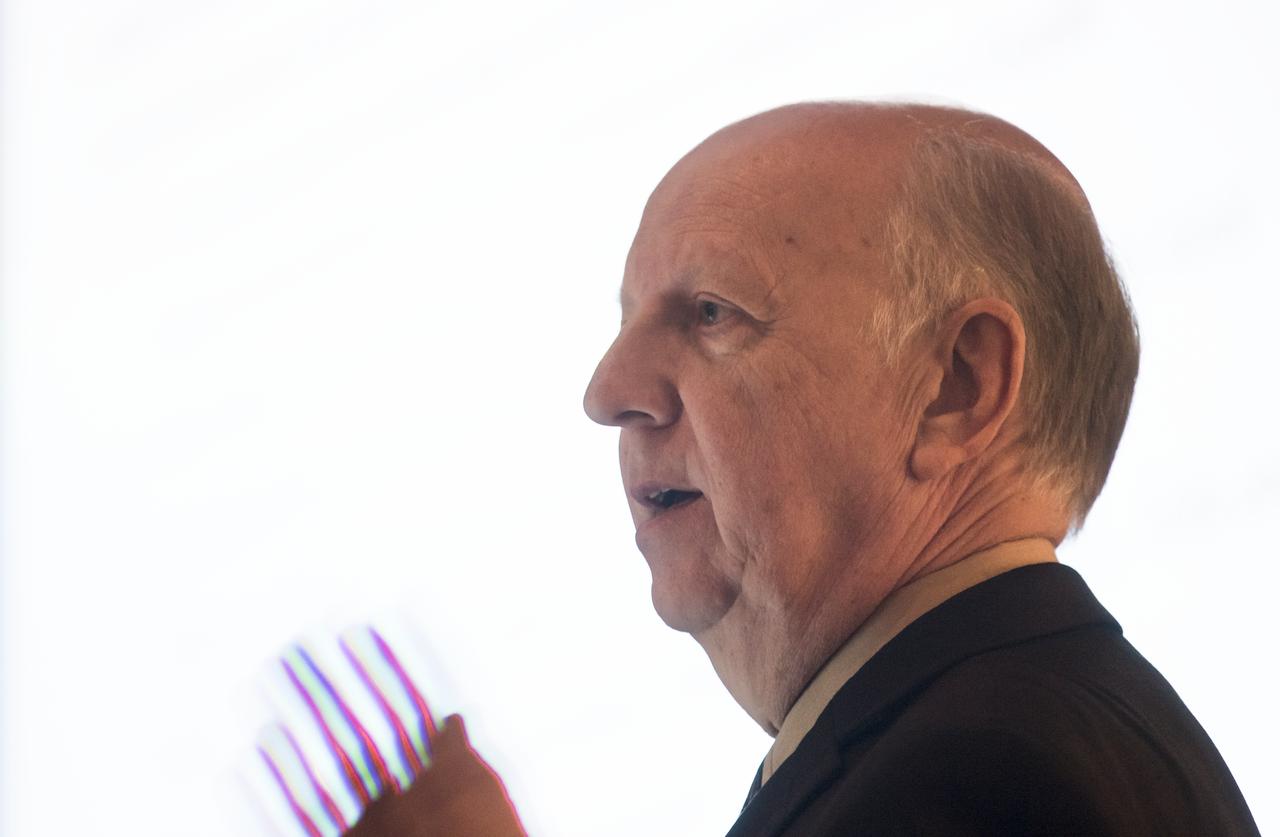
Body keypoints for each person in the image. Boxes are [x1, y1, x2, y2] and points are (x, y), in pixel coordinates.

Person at [346, 101, 1260, 835]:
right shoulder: (1024, 723)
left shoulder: (982, 776)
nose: (608, 389)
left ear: (956, 386)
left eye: (710, 312)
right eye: (625, 319)